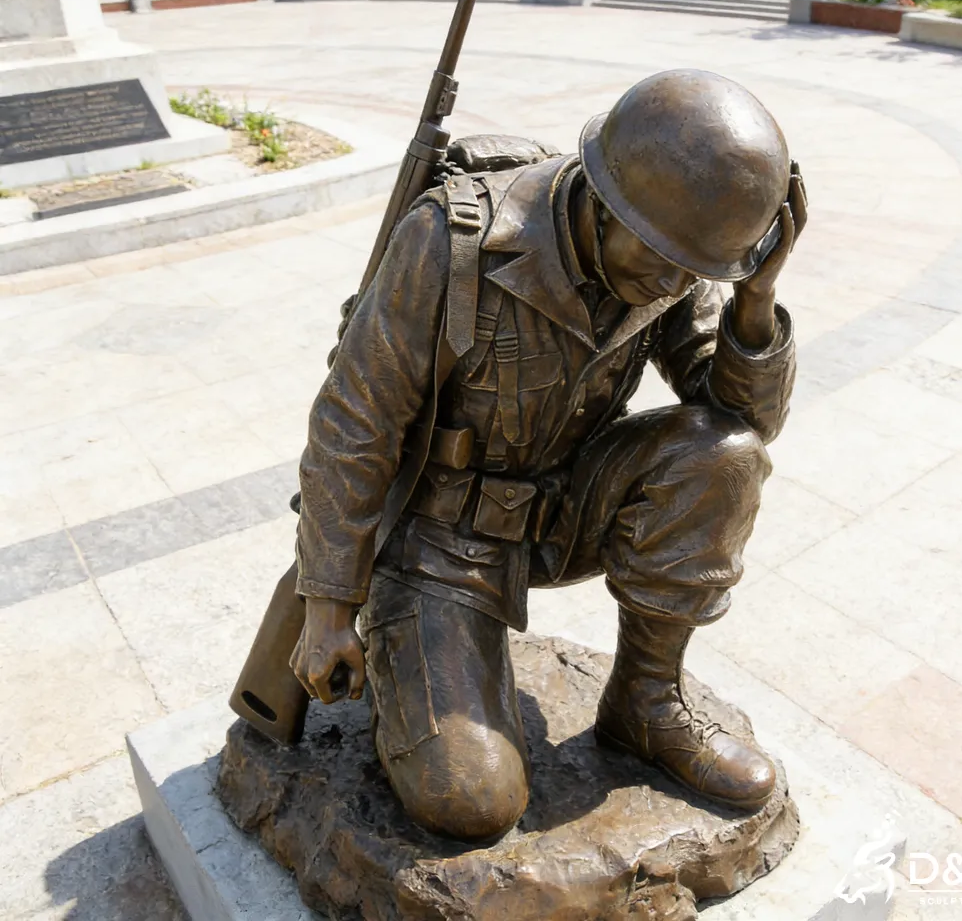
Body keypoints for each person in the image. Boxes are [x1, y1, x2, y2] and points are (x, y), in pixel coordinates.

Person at [289, 69, 808, 842]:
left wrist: (754, 301)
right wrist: (327, 607)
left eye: (692, 270)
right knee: (473, 802)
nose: (670, 283)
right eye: (662, 259)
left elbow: (744, 419)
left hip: (564, 509)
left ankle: (645, 701)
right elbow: (354, 422)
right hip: (439, 539)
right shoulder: (453, 238)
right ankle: (424, 651)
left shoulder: (669, 254)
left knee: (723, 454)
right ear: (603, 200)